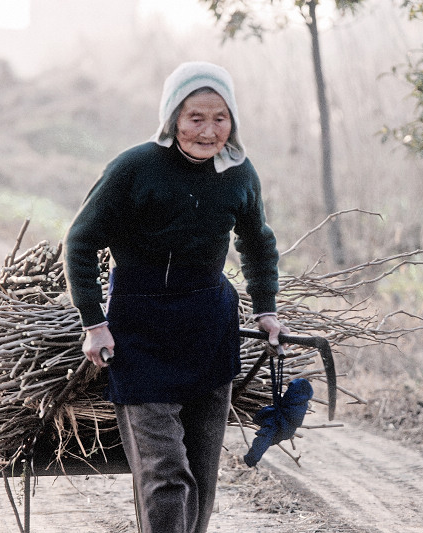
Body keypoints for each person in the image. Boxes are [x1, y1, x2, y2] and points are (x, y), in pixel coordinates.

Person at [63, 61, 287, 533]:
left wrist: (265, 308)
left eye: (220, 118)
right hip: (140, 330)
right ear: (173, 118)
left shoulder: (239, 174)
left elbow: (258, 241)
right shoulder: (135, 168)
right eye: (195, 118)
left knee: (202, 475)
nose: (208, 131)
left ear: (233, 121)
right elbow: (81, 240)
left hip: (209, 326)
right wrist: (93, 320)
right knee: (166, 474)